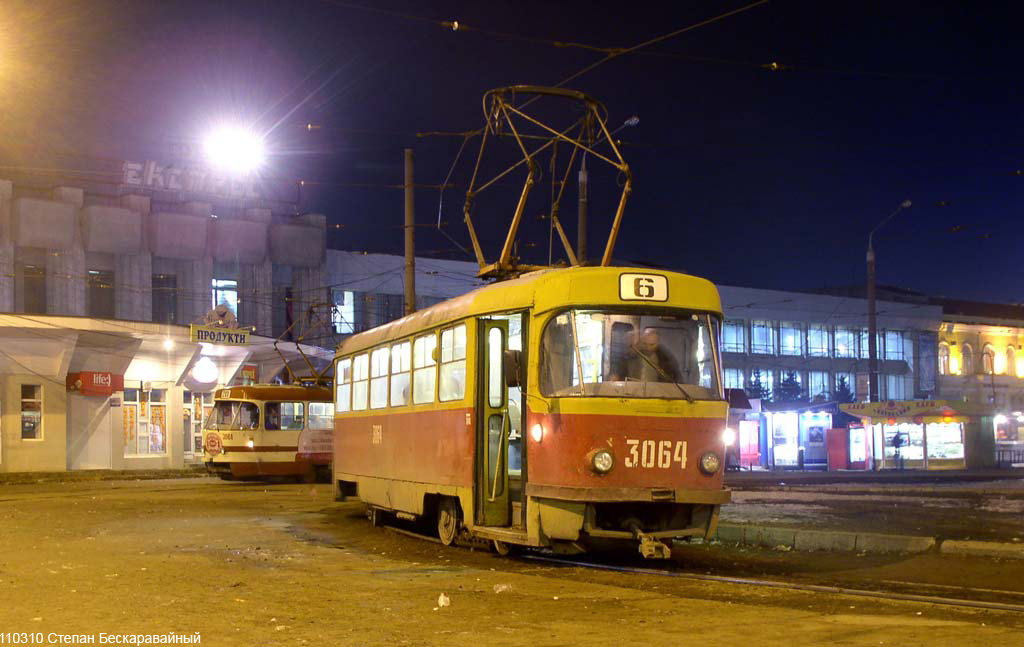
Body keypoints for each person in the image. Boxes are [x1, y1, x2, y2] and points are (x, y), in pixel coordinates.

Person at [614, 327, 680, 383]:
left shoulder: (665, 361)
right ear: (641, 341)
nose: (648, 348)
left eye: (652, 345)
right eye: (645, 344)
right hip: (632, 394)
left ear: (658, 343)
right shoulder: (631, 357)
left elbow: (672, 381)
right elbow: (619, 373)